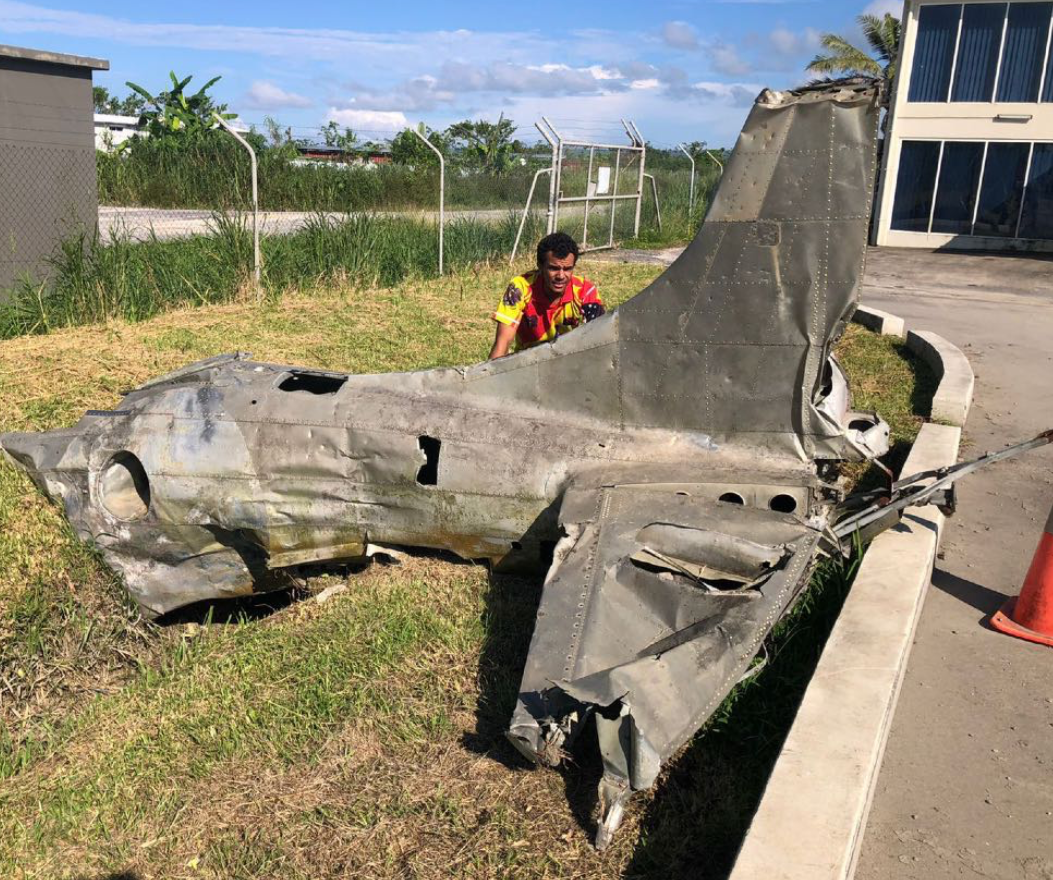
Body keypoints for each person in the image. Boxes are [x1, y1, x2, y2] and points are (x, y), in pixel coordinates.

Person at [488, 232, 605, 359]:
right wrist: (489, 377)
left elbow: (602, 340)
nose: (561, 276)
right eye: (553, 268)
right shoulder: (519, 289)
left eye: (567, 269)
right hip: (528, 363)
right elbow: (502, 343)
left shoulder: (585, 291)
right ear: (540, 266)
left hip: (570, 362)